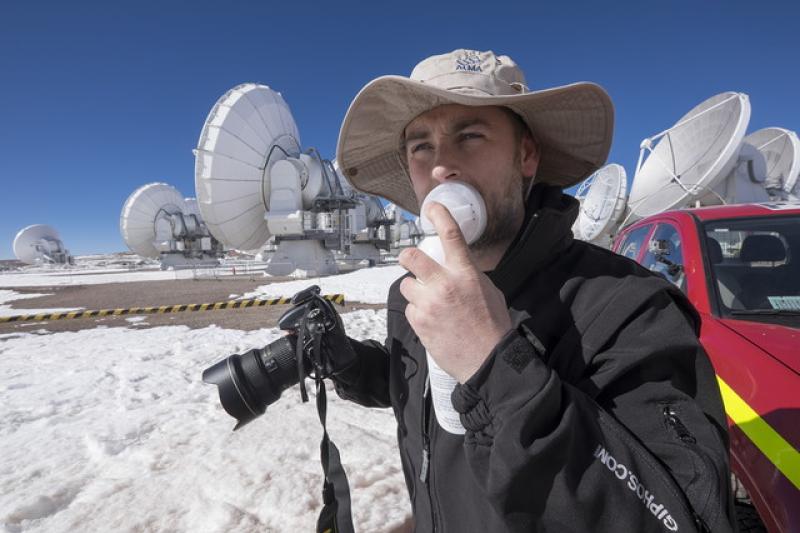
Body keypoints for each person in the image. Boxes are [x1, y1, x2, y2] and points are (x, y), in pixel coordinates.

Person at [330, 49, 735, 532]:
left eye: (470, 136)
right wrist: (353, 365)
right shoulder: (412, 294)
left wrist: (496, 364)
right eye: (421, 147)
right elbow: (422, 394)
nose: (441, 168)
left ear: (526, 155)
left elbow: (686, 521)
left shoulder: (630, 308)